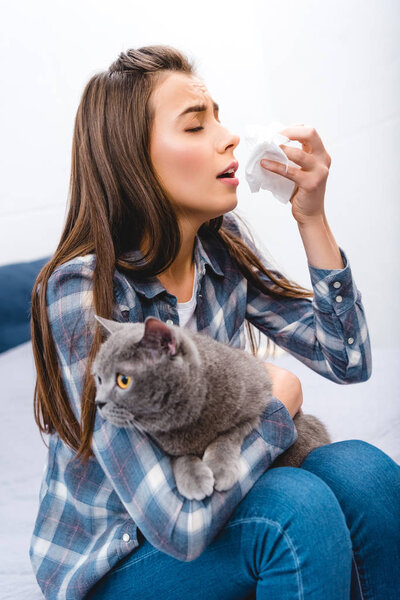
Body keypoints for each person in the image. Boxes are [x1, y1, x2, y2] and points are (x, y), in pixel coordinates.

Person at [29, 45, 400, 600]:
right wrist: (276, 405)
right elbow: (178, 524)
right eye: (197, 125)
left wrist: (312, 216)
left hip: (215, 501)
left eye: (219, 118)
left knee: (366, 474)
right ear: (133, 159)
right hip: (119, 559)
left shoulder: (222, 250)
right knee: (293, 508)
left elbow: (347, 360)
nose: (227, 136)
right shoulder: (81, 290)